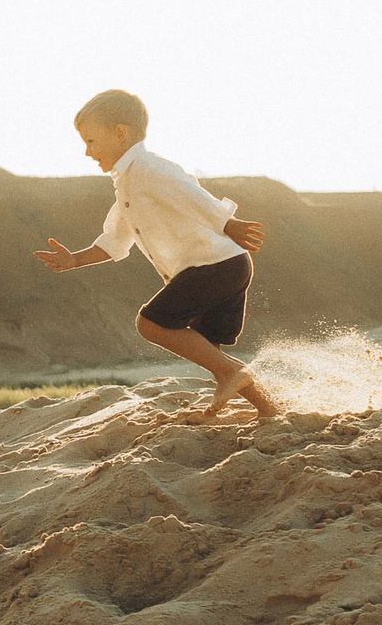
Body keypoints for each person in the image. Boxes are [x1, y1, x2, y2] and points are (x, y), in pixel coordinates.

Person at [33, 89, 279, 421]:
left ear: (120, 133)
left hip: (216, 264)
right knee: (207, 349)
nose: (87, 151)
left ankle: (232, 376)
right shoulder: (127, 183)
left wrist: (228, 223)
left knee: (150, 324)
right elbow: (116, 238)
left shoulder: (148, 168)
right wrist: (75, 259)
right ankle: (270, 409)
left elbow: (190, 194)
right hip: (225, 264)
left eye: (91, 141)